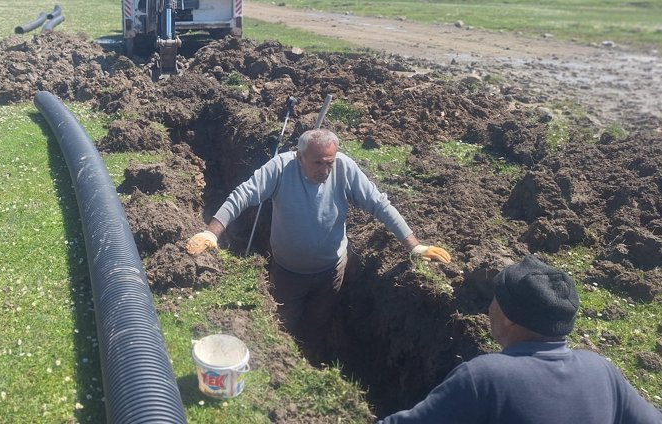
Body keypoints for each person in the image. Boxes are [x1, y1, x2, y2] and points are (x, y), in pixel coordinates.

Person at [186, 128, 451, 360]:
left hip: (330, 274)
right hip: (287, 273)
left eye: (330, 163)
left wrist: (414, 245)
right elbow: (243, 194)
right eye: (317, 163)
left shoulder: (344, 169)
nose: (325, 170)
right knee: (283, 324)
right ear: (299, 157)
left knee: (317, 324)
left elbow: (379, 205)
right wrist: (212, 232)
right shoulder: (281, 168)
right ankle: (283, 362)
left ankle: (311, 358)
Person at [377, 255, 662, 423]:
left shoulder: (485, 378)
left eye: (495, 299)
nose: (489, 307)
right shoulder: (601, 372)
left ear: (510, 316)